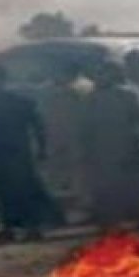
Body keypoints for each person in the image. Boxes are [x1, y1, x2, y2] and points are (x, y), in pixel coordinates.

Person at [0, 64, 56, 243]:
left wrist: (42, 147)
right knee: (0, 191)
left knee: (22, 189)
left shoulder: (17, 101)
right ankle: (9, 227)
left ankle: (31, 227)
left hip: (15, 151)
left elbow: (37, 126)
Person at [80, 62, 139, 229]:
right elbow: (84, 130)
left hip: (127, 148)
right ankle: (113, 224)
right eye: (98, 74)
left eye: (104, 73)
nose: (101, 78)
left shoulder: (126, 96)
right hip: (104, 152)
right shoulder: (90, 100)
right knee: (108, 190)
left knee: (135, 187)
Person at [37, 62, 86, 217]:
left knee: (79, 172)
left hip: (76, 136)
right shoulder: (48, 89)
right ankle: (56, 208)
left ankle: (83, 206)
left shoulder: (82, 88)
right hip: (55, 136)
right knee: (55, 173)